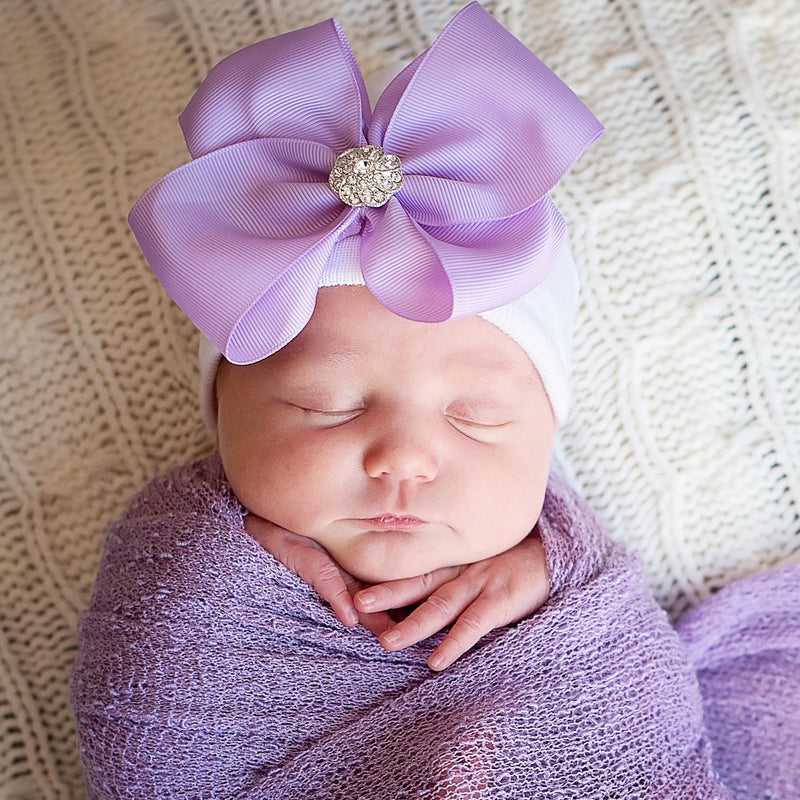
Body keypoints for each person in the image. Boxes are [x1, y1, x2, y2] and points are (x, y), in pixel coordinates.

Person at [70, 4, 799, 798]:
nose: (405, 457)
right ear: (225, 416)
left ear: (545, 438)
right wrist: (205, 571)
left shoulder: (576, 605)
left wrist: (555, 572)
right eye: (327, 405)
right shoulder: (183, 576)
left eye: (475, 416)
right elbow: (141, 735)